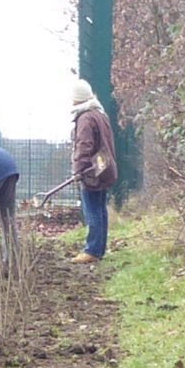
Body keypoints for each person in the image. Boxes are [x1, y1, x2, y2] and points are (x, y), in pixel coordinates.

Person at [70, 78, 118, 264]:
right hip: (103, 166)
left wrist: (78, 169)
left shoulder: (85, 118)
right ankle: (99, 248)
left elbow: (84, 145)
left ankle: (92, 250)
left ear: (77, 99)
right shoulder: (100, 114)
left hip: (91, 171)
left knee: (92, 211)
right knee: (100, 208)